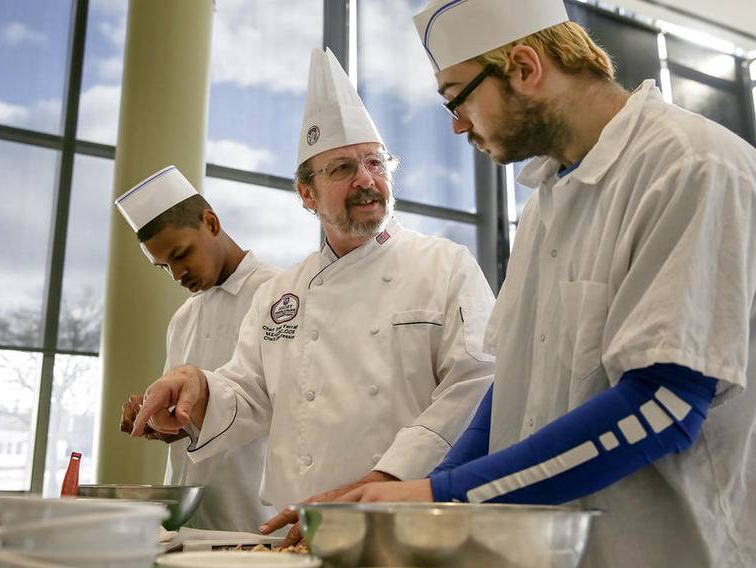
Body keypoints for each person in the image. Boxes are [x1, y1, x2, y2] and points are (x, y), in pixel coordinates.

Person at [342, 1, 756, 566]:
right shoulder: (544, 206)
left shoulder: (691, 166)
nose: (458, 124)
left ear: (524, 67)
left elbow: (664, 404)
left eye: (456, 98)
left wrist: (445, 495)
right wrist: (425, 495)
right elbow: (513, 387)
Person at [128, 48, 495, 542]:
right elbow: (250, 394)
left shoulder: (446, 266)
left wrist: (383, 481)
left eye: (375, 163)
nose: (367, 180)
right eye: (343, 168)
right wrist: (199, 388)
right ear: (307, 194)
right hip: (296, 531)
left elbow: (477, 385)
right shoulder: (283, 293)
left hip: (403, 525)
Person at [115, 166, 278, 532]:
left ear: (211, 222)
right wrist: (161, 420)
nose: (176, 274)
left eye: (181, 254)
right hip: (187, 524)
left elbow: (293, 407)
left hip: (257, 518)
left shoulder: (280, 295)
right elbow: (190, 416)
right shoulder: (183, 319)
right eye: (163, 266)